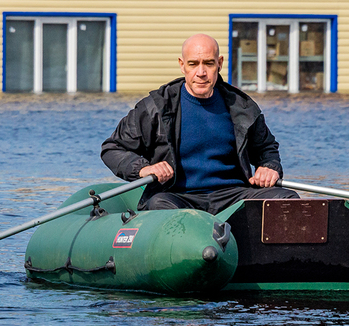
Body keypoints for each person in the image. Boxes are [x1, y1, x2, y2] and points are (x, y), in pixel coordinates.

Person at [100, 33, 298, 213]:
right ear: (182, 64)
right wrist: (143, 169)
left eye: (208, 64)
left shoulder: (242, 106)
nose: (201, 72)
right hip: (177, 197)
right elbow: (113, 148)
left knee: (287, 198)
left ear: (219, 63)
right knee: (158, 204)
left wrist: (269, 167)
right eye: (193, 64)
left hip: (232, 196)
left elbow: (267, 148)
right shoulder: (156, 107)